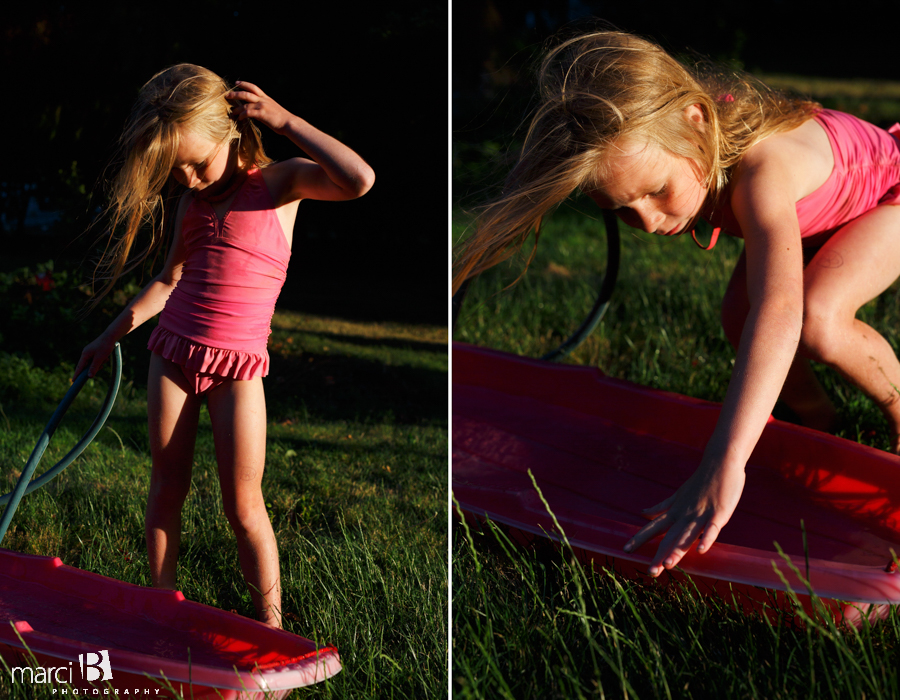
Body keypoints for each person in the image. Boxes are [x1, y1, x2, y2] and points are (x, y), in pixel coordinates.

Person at [453, 30, 900, 579]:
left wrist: (723, 461)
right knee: (738, 318)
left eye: (656, 191)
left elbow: (779, 311)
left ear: (695, 122)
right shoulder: (683, 138)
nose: (645, 221)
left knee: (816, 318)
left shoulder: (762, 175)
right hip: (819, 209)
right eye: (621, 209)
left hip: (887, 194)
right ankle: (816, 418)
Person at [75, 64, 375, 627]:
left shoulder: (281, 184)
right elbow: (168, 281)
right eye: (175, 169)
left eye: (197, 162)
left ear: (231, 131)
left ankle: (271, 627)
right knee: (166, 488)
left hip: (240, 368)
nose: (186, 178)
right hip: (173, 355)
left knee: (244, 506)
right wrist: (107, 335)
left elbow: (359, 179)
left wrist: (286, 120)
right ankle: (161, 609)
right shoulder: (192, 205)